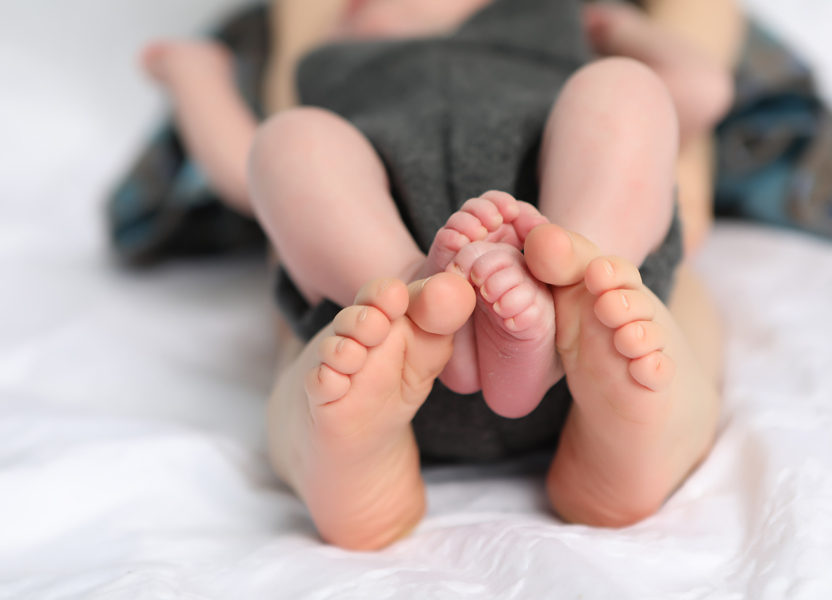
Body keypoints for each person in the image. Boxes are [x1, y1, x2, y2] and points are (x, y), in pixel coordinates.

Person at [140, 0, 737, 550]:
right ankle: (413, 311)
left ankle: (575, 276)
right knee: (286, 142)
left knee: (627, 89)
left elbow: (701, 91)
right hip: (379, 338)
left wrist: (624, 33)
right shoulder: (333, 67)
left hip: (588, 326)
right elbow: (242, 172)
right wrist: (200, 76)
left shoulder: (564, 30)